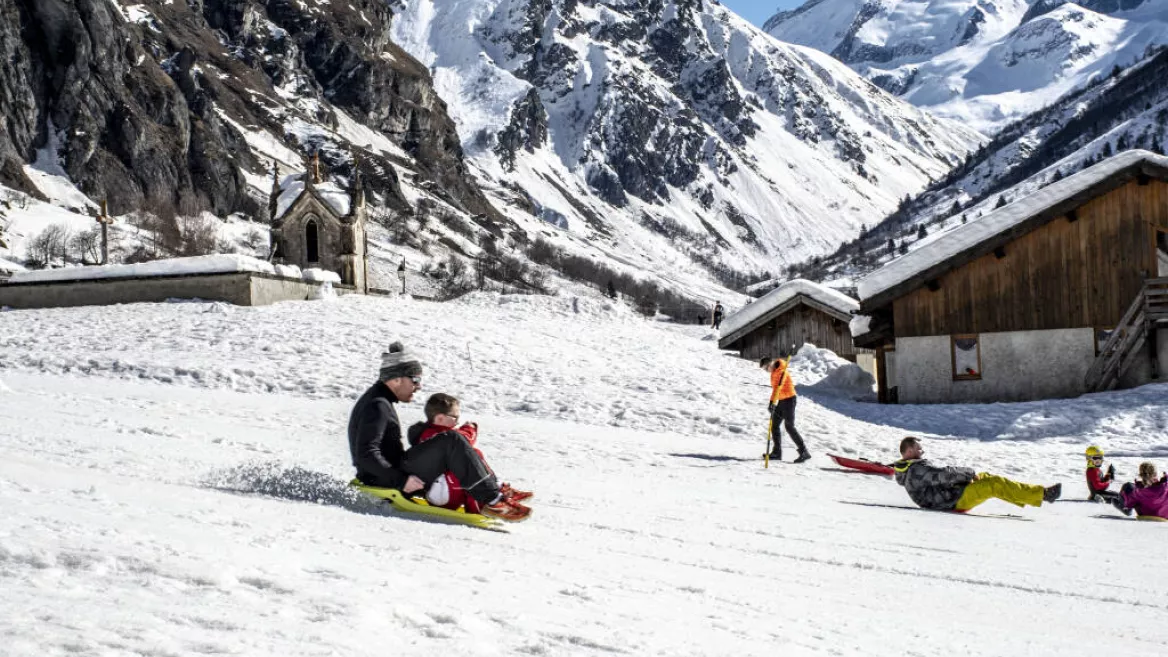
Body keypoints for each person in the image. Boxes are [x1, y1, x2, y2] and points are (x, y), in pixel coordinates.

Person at [347, 341, 530, 521]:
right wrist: (401, 481)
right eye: (415, 380)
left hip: (392, 471)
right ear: (396, 380)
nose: (418, 387)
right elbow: (366, 454)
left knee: (452, 442)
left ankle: (494, 493)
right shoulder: (377, 405)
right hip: (384, 477)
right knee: (451, 439)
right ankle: (492, 500)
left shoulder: (378, 401)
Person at [407, 392, 533, 514]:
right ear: (440, 418)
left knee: (473, 455)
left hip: (446, 489)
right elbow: (465, 439)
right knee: (467, 465)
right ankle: (480, 505)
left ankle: (497, 489)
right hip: (440, 492)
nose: (457, 422)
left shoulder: (440, 435)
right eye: (455, 418)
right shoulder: (432, 436)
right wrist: (469, 428)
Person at [893, 437, 1061, 512]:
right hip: (951, 502)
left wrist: (968, 477)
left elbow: (941, 478)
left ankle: (1030, 496)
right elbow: (943, 475)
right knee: (993, 484)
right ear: (908, 451)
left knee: (986, 477)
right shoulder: (915, 470)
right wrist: (968, 473)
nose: (922, 451)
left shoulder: (912, 468)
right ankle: (1043, 495)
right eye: (917, 448)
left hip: (949, 496)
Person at [761, 353, 810, 463]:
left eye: (766, 368)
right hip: (782, 400)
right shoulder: (773, 373)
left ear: (770, 364)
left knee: (789, 427)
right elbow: (776, 389)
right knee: (774, 425)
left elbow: (778, 387)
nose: (766, 371)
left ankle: (804, 451)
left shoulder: (781, 371)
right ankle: (777, 452)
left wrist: (772, 402)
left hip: (789, 400)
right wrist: (772, 403)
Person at [1084, 445, 1128, 514]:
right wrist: (1108, 482)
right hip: (1097, 493)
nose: (1100, 460)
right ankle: (1098, 498)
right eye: (1096, 458)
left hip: (1100, 492)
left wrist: (1109, 474)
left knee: (1117, 495)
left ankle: (1099, 498)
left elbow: (1101, 481)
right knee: (1117, 497)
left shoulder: (1096, 469)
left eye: (1100, 458)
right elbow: (1097, 486)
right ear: (1089, 459)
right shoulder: (1092, 471)